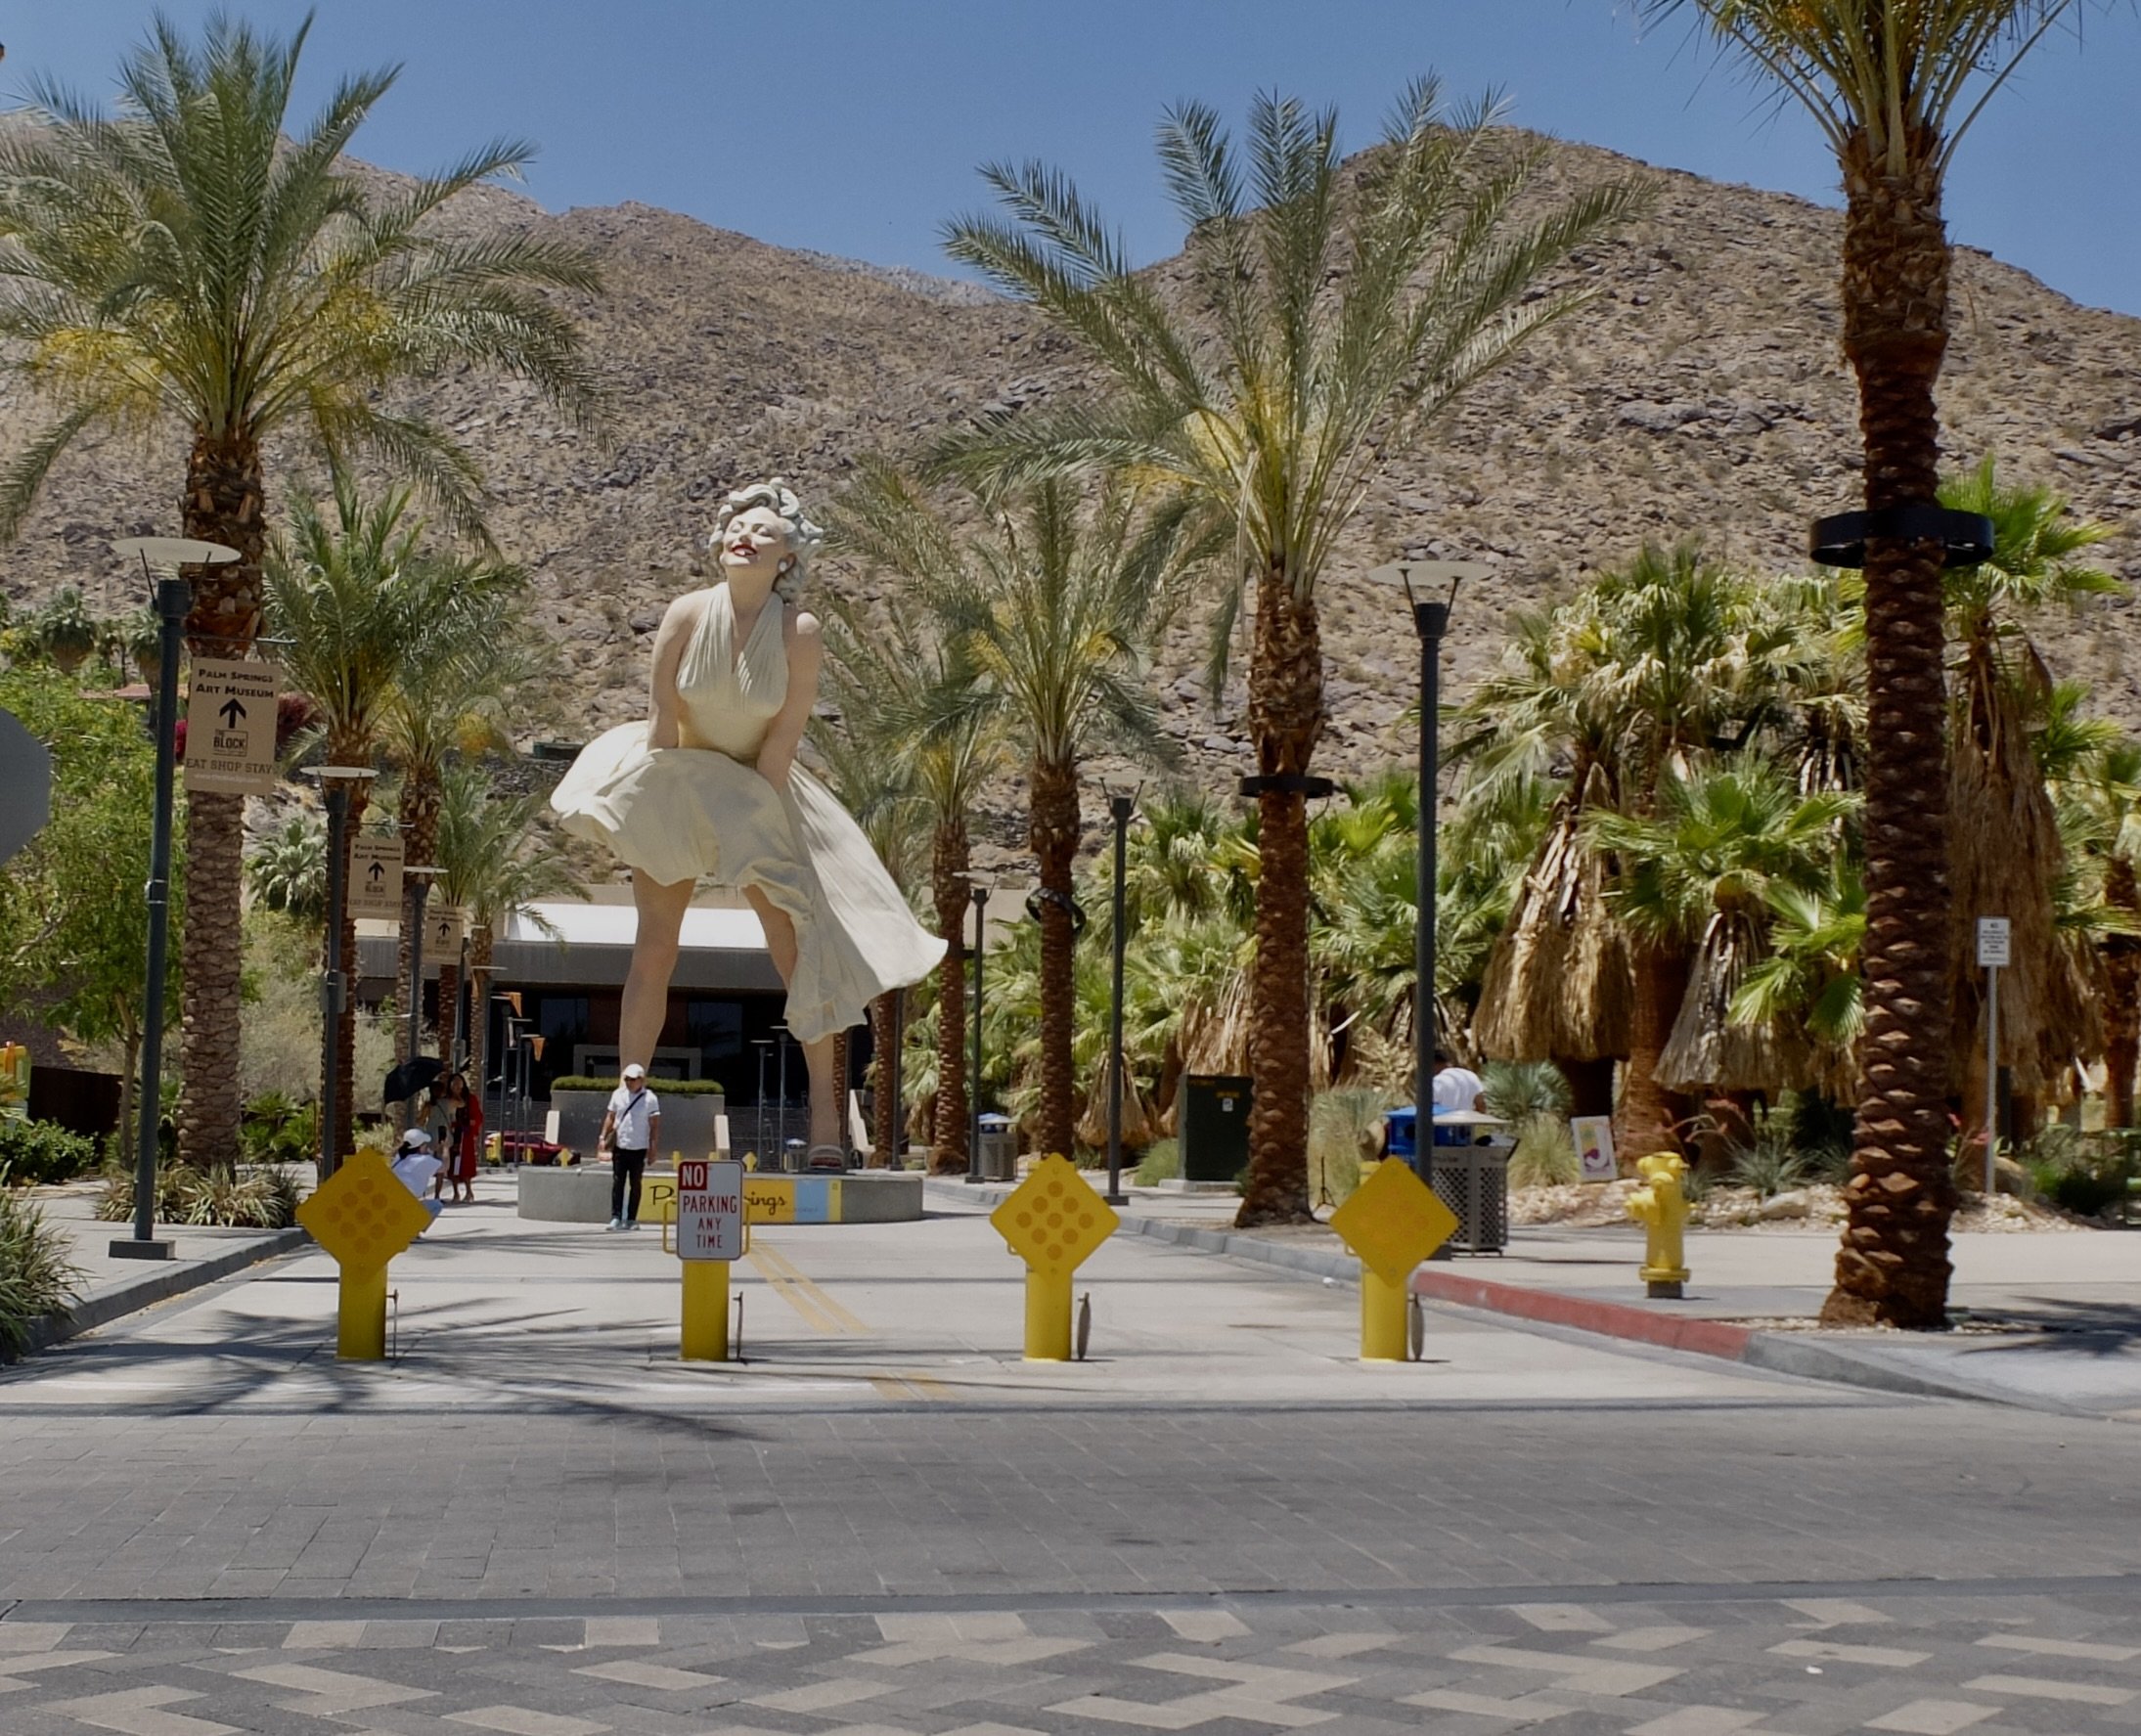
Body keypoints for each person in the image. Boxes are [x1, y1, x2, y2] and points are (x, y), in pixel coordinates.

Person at [550, 479, 945, 1163]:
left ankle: (826, 1119)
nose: (746, 534)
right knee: (654, 947)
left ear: (788, 555)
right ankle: (625, 1117)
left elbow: (781, 741)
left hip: (759, 791)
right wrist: (665, 815)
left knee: (798, 952)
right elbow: (661, 725)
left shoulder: (800, 633)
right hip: (677, 776)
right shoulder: (684, 613)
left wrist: (747, 832)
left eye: (764, 530)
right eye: (738, 523)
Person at [598, 1062, 660, 1230]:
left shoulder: (650, 1099)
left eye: (632, 1079)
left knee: (636, 1183)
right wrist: (603, 1136)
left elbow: (654, 1126)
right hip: (620, 1145)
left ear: (641, 1080)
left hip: (639, 1147)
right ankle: (615, 1216)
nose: (629, 1082)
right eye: (626, 1079)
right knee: (618, 1182)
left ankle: (631, 1218)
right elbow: (610, 1117)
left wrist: (653, 1148)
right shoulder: (618, 1095)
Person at [1430, 1048, 1487, 1147]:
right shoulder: (1471, 1076)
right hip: (1465, 1134)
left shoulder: (1437, 1081)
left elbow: (1429, 1109)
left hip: (1441, 1135)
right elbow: (1481, 1106)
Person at [390, 1128, 445, 1228]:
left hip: (391, 1203)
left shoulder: (399, 1158)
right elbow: (444, 1168)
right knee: (436, 1205)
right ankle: (412, 1231)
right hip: (407, 1205)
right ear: (420, 1146)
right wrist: (445, 1149)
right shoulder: (424, 1160)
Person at [443, 1071, 482, 1204]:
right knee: (452, 1164)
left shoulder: (470, 1099)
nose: (457, 1085)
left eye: (459, 1082)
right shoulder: (446, 1100)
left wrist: (473, 1123)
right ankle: (455, 1193)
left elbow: (477, 1116)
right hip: (451, 1134)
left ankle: (469, 1191)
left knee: (464, 1164)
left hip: (464, 1136)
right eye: (454, 1083)